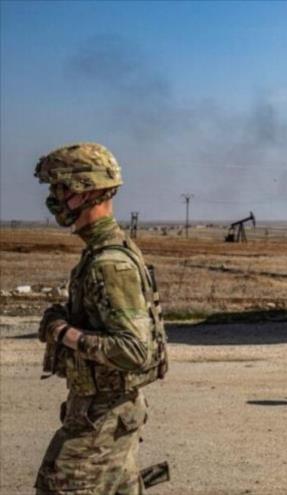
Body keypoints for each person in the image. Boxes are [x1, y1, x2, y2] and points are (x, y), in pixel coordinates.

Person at [34, 142, 168, 494]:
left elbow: (134, 350)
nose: (55, 199)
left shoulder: (109, 262)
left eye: (61, 188)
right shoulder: (103, 251)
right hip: (103, 412)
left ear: (87, 190)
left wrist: (61, 332)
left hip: (103, 418)